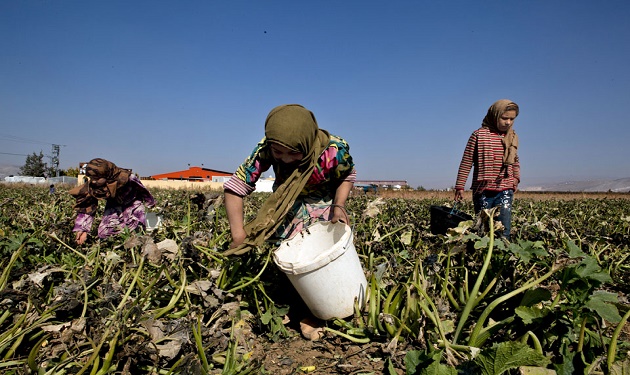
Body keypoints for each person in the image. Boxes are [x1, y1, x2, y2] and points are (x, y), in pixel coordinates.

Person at [223, 104, 356, 256]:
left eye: (294, 153)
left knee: (324, 246)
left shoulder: (334, 150)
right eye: (278, 152)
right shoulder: (267, 147)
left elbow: (347, 176)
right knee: (286, 248)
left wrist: (339, 205)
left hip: (323, 199)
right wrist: (238, 234)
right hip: (286, 200)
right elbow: (235, 187)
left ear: (307, 143)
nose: (285, 159)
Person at [454, 99, 520, 239]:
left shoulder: (511, 137)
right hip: (483, 189)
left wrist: (515, 180)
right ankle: (483, 254)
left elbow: (514, 161)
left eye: (511, 119)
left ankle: (502, 253)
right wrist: (460, 186)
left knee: (503, 226)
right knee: (483, 226)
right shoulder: (478, 135)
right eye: (504, 118)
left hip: (505, 188)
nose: (508, 122)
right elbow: (466, 161)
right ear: (494, 116)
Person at [68, 158, 156, 245]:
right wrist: (82, 229)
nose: (94, 181)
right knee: (105, 232)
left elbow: (142, 189)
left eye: (97, 178)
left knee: (136, 228)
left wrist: (150, 203)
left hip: (133, 203)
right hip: (114, 204)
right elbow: (87, 207)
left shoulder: (126, 178)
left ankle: (135, 248)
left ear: (106, 174)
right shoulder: (92, 187)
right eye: (91, 178)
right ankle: (113, 247)